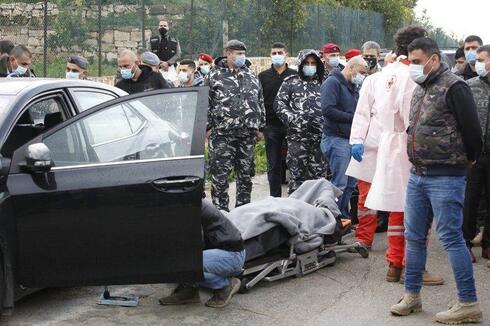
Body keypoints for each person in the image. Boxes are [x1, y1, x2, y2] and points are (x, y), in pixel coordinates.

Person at [390, 37, 483, 324]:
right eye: (409, 61)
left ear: (432, 59)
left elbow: (473, 132)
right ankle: (412, 296)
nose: (412, 67)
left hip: (445, 175)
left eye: (416, 62)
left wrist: (465, 161)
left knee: (451, 238)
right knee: (414, 237)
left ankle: (468, 302)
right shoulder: (421, 87)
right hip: (418, 175)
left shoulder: (455, 87)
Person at [206, 40, 265, 211]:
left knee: (246, 176)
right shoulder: (213, 75)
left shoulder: (251, 75)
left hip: (247, 134)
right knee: (220, 176)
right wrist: (208, 128)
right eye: (238, 53)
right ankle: (220, 213)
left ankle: (243, 211)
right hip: (222, 135)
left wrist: (260, 126)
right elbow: (205, 103)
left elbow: (259, 101)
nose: (241, 56)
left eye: (243, 53)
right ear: (228, 53)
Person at [159, 199, 245, 308]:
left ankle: (225, 285)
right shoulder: (186, 204)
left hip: (231, 255)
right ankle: (189, 291)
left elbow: (196, 245)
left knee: (183, 262)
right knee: (177, 258)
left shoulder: (190, 208)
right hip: (221, 253)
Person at [320, 56, 367, 219]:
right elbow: (327, 110)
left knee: (350, 184)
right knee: (339, 183)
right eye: (361, 72)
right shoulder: (332, 83)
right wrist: (353, 117)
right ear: (351, 67)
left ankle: (343, 218)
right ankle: (332, 219)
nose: (362, 76)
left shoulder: (353, 86)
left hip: (350, 140)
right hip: (336, 139)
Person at [274, 49, 325, 195]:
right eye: (307, 63)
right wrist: (291, 119)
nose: (310, 65)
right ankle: (295, 212)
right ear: (301, 64)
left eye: (313, 63)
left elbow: (332, 104)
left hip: (319, 140)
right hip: (297, 139)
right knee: (296, 178)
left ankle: (317, 213)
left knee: (319, 179)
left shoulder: (324, 82)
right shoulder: (291, 82)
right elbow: (279, 104)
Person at [258, 42, 296, 197]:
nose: (277, 55)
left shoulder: (294, 75)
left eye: (280, 52)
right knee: (273, 164)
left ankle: (294, 198)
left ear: (286, 54)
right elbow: (258, 102)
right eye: (274, 53)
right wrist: (260, 127)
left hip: (291, 126)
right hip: (271, 127)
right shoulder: (263, 76)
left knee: (294, 163)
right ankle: (275, 199)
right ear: (270, 55)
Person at [463, 44, 490, 263]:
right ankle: (465, 242)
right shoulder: (469, 86)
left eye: (482, 59)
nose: (477, 62)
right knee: (469, 200)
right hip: (473, 154)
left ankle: (488, 245)